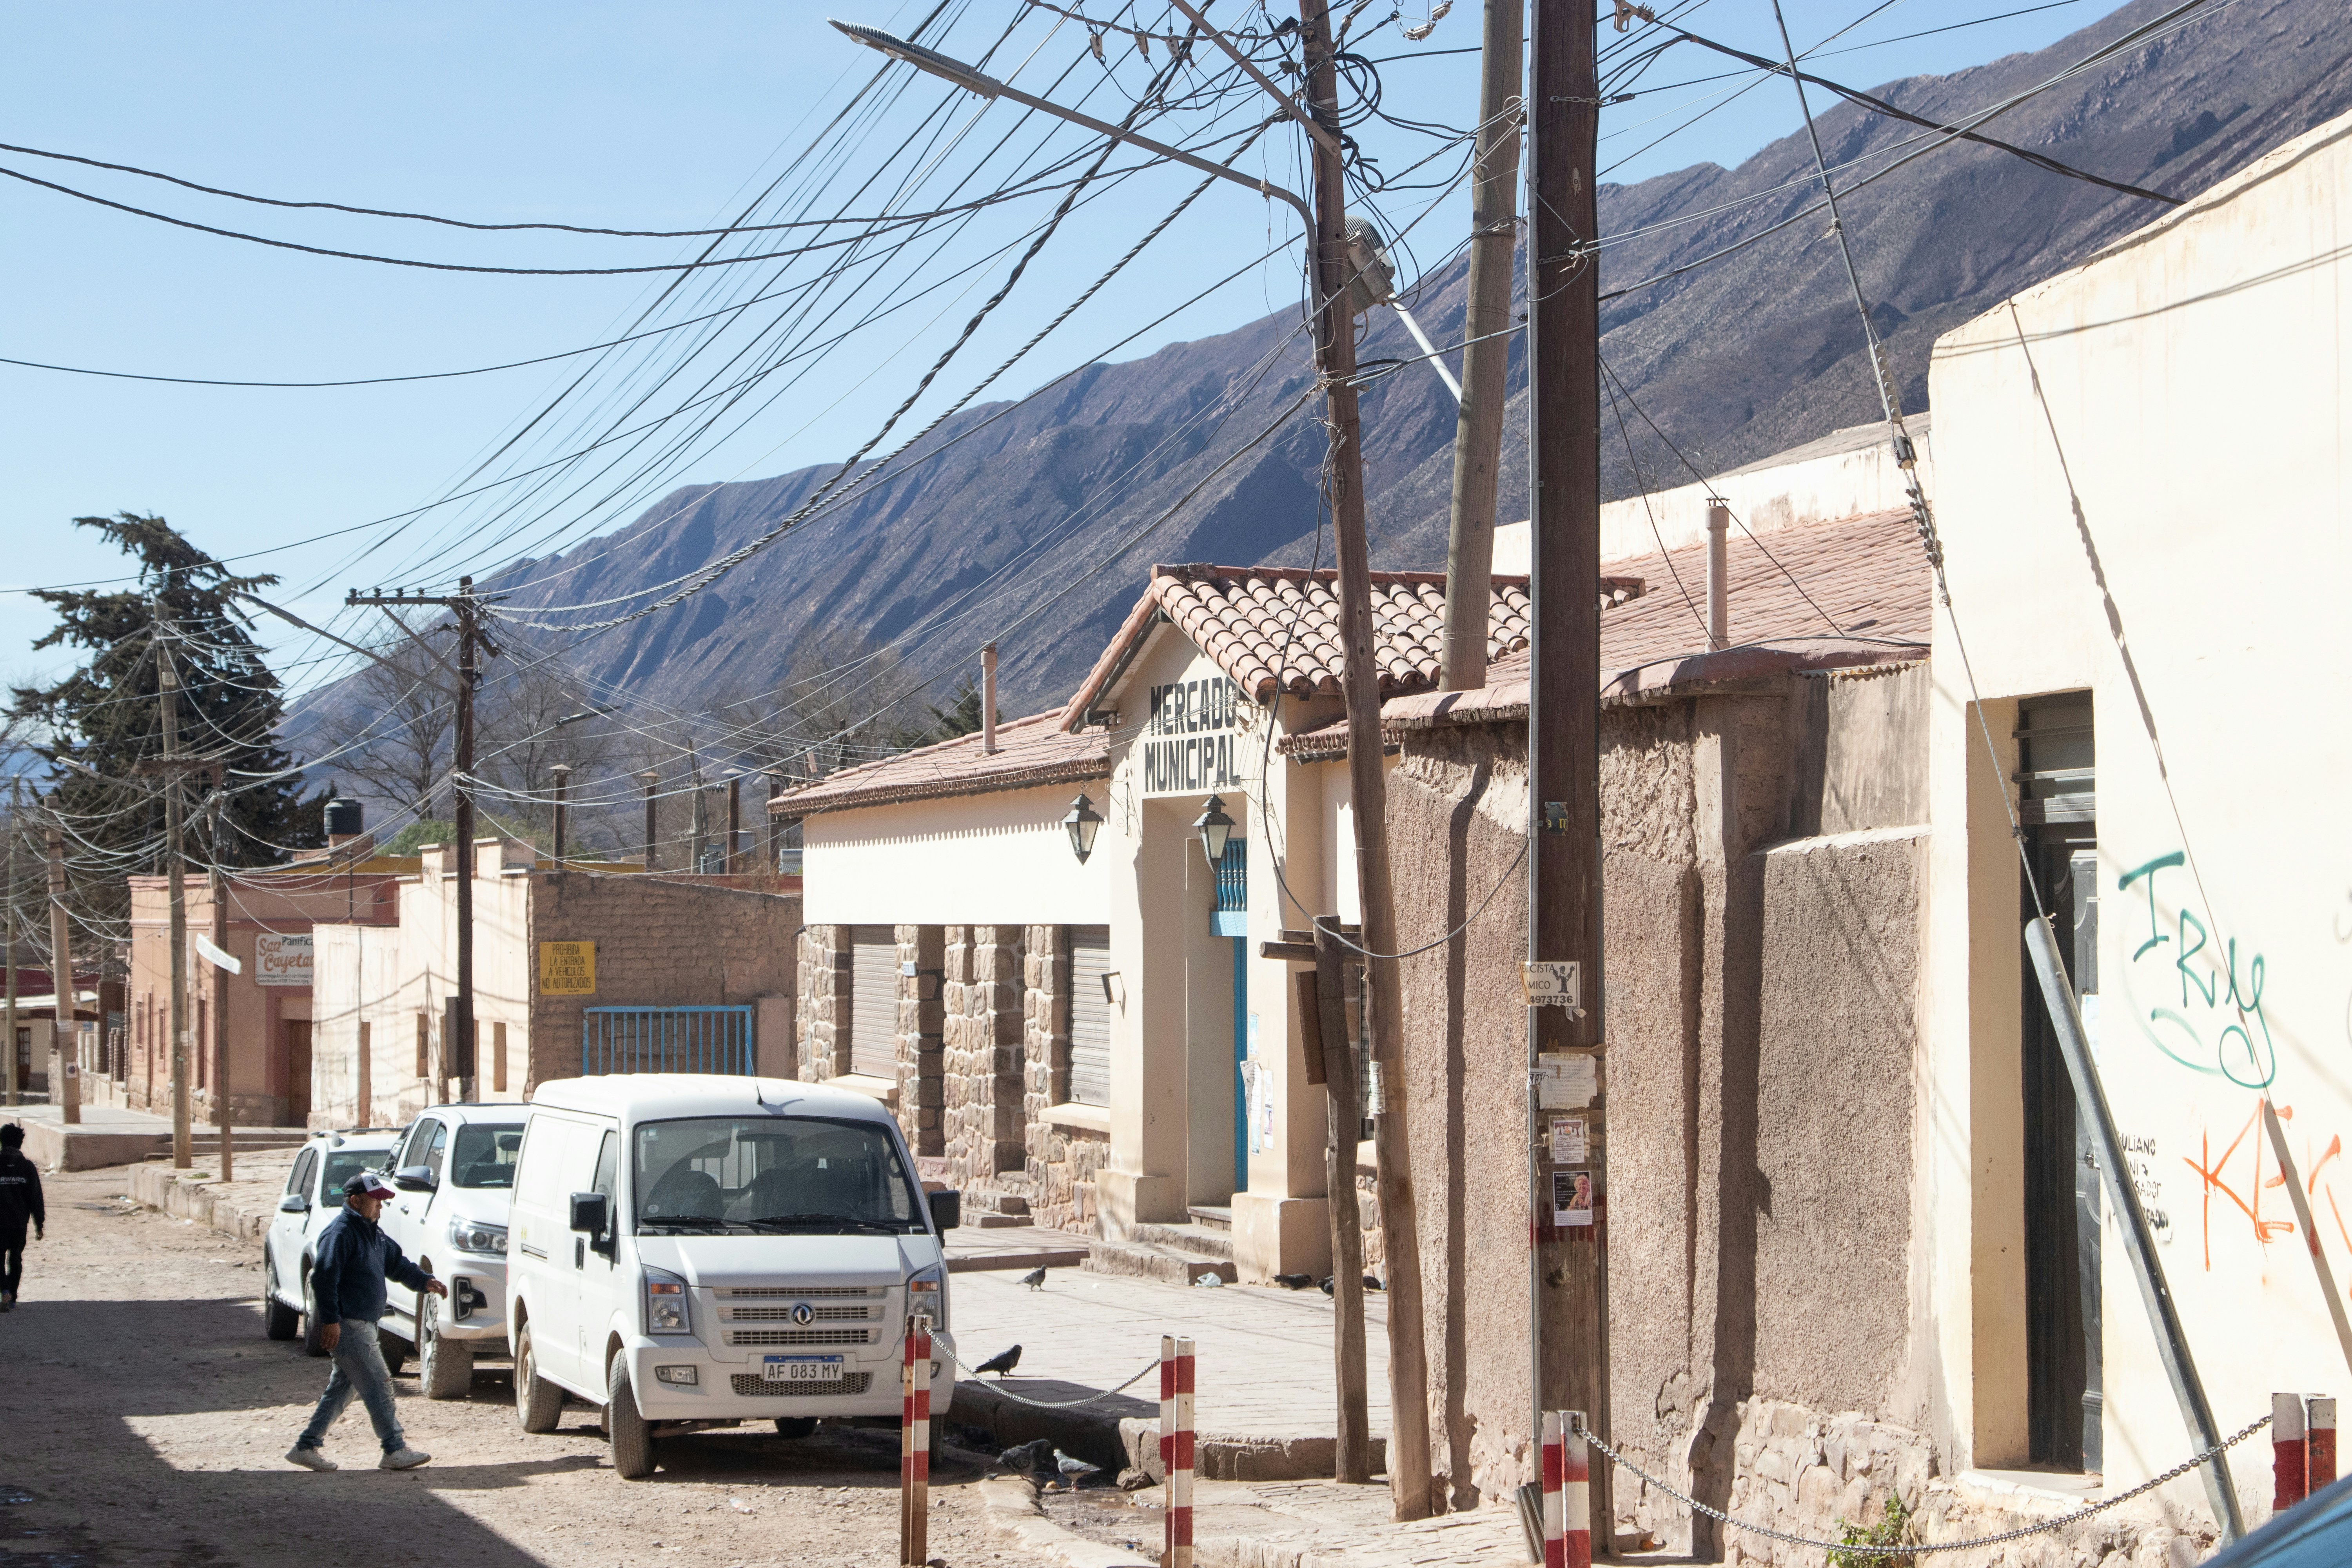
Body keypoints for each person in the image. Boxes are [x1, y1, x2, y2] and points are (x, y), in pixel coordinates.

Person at [286, 1169, 446, 1472]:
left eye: (382, 1201)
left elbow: (396, 1264)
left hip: (364, 1324)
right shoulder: (340, 1234)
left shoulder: (372, 1232)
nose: (381, 1207)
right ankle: (394, 1448)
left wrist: (425, 1281)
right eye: (376, 1201)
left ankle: (306, 1446)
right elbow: (323, 1280)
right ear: (356, 1201)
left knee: (343, 1389)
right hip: (350, 1325)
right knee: (379, 1383)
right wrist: (330, 1321)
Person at [0, 1123, 42, 1311]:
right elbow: (35, 1197)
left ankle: (4, 1291)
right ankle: (13, 1298)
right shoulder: (27, 1167)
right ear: (20, 1143)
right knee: (16, 1259)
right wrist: (39, 1224)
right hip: (19, 1224)